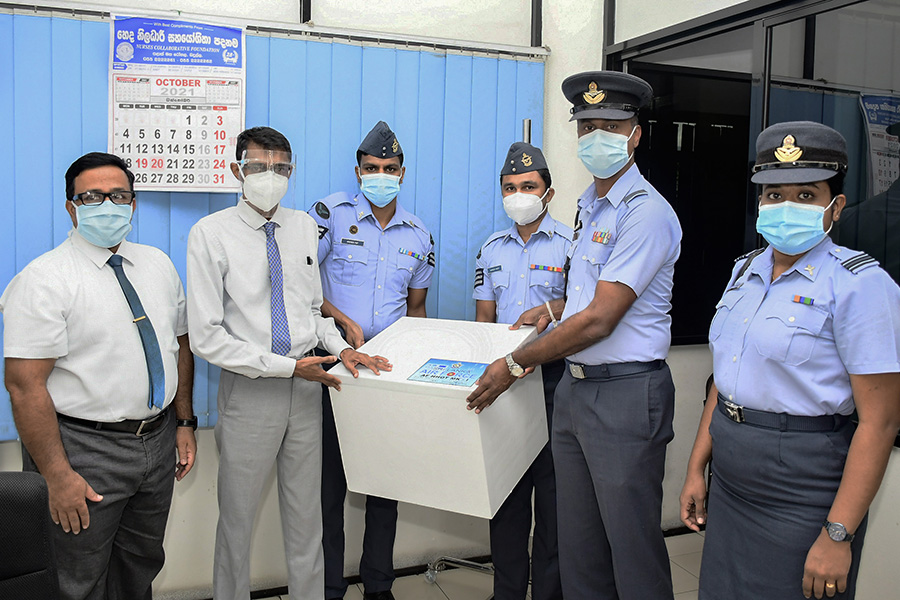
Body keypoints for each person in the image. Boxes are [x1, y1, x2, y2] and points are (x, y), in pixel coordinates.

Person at [467, 71, 682, 600]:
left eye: (611, 125)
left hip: (626, 392)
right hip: (576, 389)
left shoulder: (645, 212)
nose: (596, 137)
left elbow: (602, 318)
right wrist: (554, 309)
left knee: (630, 551)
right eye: (587, 126)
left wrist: (518, 362)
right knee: (581, 550)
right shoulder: (589, 208)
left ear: (636, 134)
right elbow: (587, 300)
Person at [679, 121, 900, 600]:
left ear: (835, 207)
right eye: (773, 195)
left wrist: (837, 534)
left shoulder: (860, 285)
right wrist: (697, 467)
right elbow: (724, 381)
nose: (785, 208)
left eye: (806, 195)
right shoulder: (744, 272)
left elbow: (879, 423)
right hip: (733, 476)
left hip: (803, 490)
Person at [186, 126, 389, 600]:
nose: (270, 177)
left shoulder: (302, 226)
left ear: (291, 172)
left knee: (307, 521)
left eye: (281, 168)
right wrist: (285, 367)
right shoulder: (209, 234)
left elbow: (312, 310)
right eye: (259, 167)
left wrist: (341, 349)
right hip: (250, 390)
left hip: (307, 386)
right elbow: (206, 337)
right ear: (238, 170)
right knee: (236, 523)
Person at [0, 152, 197, 600]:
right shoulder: (45, 279)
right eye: (91, 196)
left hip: (159, 441)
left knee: (140, 568)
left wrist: (184, 422)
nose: (107, 204)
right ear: (71, 207)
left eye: (118, 195)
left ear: (133, 202)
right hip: (83, 452)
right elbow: (23, 386)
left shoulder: (157, 264)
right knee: (77, 579)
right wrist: (56, 475)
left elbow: (179, 346)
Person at [310, 121, 434, 600]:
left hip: (388, 375)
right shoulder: (333, 216)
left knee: (386, 486)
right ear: (358, 171)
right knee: (330, 489)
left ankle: (379, 585)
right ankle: (328, 587)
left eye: (389, 169)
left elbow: (417, 308)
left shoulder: (418, 234)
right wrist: (340, 319)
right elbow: (303, 287)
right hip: (334, 369)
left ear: (402, 174)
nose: (380, 175)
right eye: (371, 168)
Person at [473, 141, 568, 600]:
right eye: (510, 187)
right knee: (506, 501)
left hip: (554, 384)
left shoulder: (573, 246)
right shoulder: (490, 248)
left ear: (548, 192)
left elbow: (591, 311)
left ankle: (548, 593)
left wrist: (552, 307)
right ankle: (507, 592)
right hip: (505, 387)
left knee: (552, 502)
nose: (519, 194)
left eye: (528, 186)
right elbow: (484, 321)